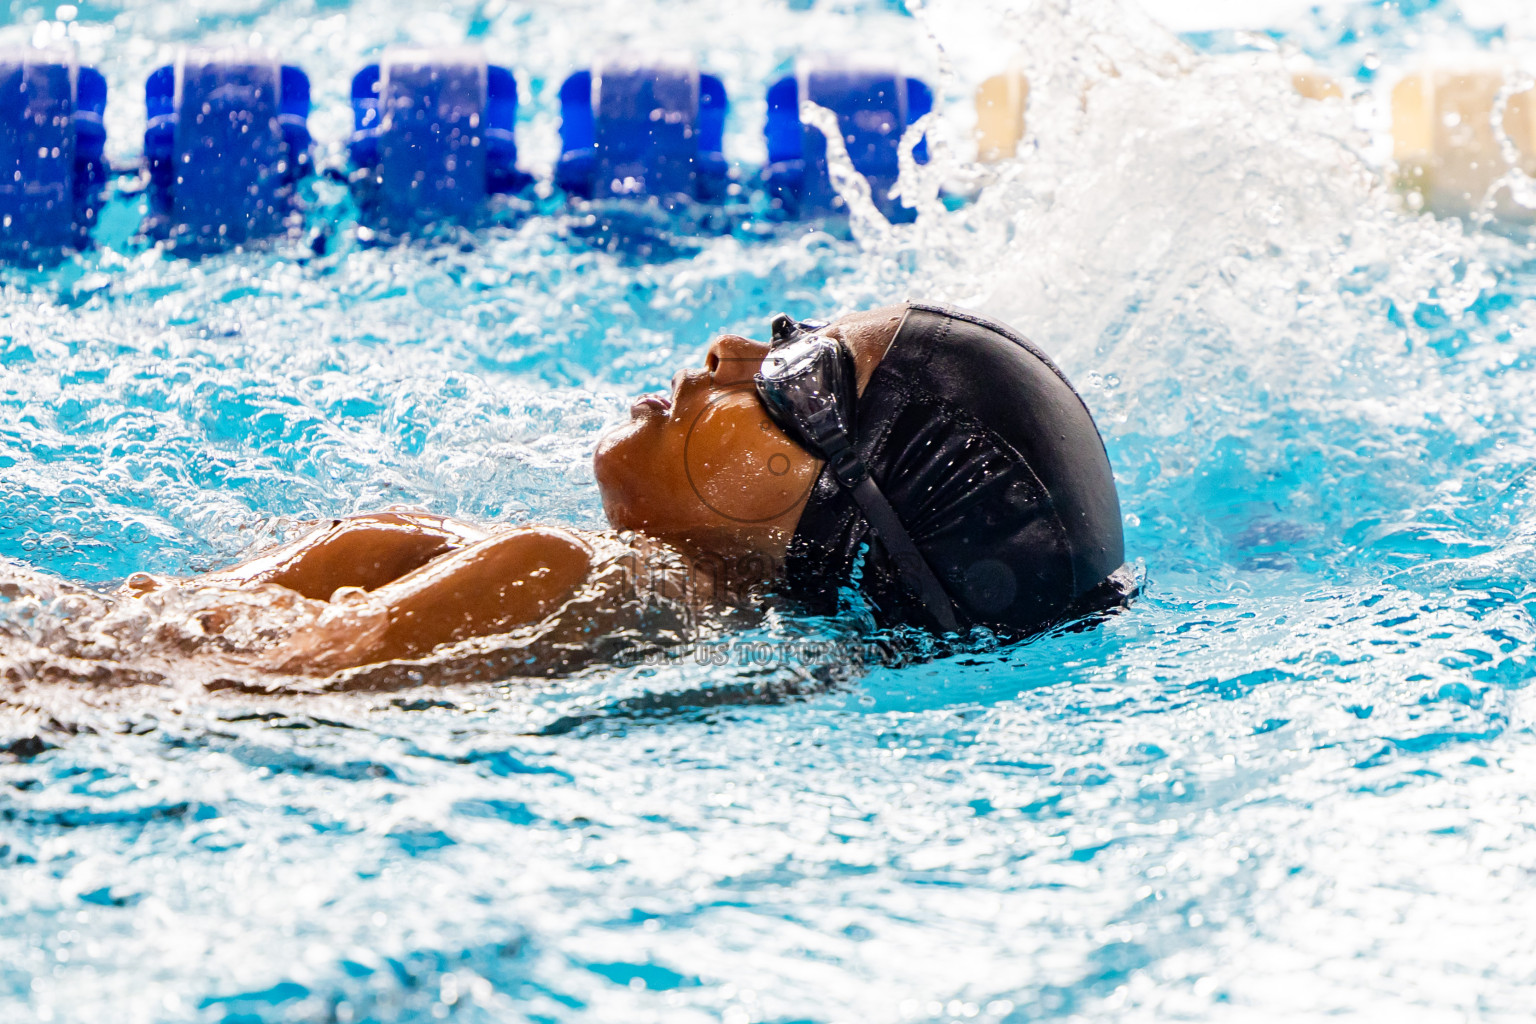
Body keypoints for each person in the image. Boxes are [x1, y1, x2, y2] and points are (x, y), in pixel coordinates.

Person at [103, 301, 1127, 683]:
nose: (732, 348)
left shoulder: (549, 577)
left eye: (800, 369)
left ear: (841, 506)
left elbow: (187, 699)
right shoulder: (626, 614)